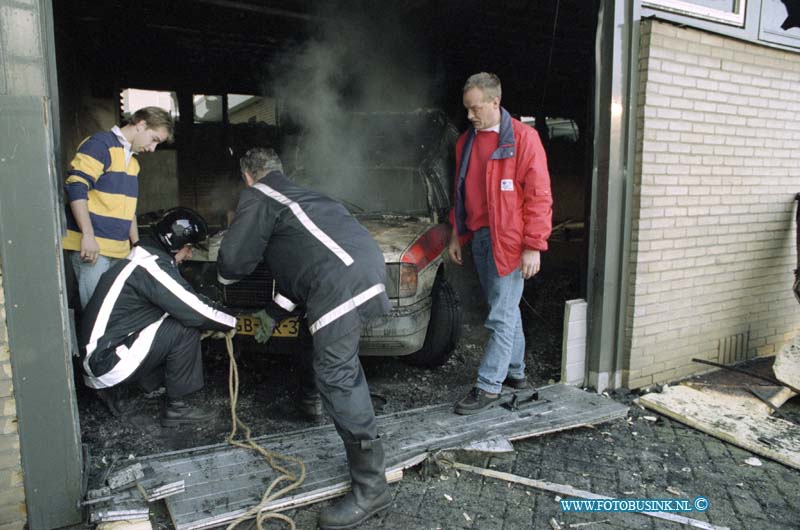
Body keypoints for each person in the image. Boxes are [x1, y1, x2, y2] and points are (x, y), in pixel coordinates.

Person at [217, 147, 391, 530]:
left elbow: (232, 263)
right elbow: (303, 267)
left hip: (338, 282)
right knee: (312, 341)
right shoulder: (306, 197)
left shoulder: (259, 194)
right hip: (363, 267)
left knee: (338, 375)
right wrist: (274, 312)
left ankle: (371, 487)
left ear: (248, 176)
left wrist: (225, 278)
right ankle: (311, 402)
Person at [448, 72, 553, 415]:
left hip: (510, 242)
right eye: (466, 109)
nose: (469, 115)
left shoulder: (524, 139)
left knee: (499, 314)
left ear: (495, 102)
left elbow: (539, 196)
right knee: (505, 308)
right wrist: (456, 234)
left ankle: (489, 385)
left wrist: (533, 245)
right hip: (479, 238)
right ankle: (516, 373)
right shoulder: (466, 143)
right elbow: (460, 194)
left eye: (475, 108)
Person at [79, 208, 237, 427]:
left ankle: (133, 389)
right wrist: (232, 321)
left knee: (174, 319)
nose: (190, 255)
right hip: (106, 362)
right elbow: (194, 310)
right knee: (185, 327)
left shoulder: (142, 257)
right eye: (189, 248)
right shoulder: (149, 265)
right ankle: (177, 409)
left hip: (102, 357)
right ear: (174, 243)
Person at [63, 106, 175, 308]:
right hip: (94, 250)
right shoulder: (99, 145)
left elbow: (128, 210)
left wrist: (136, 245)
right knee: (97, 314)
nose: (152, 148)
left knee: (113, 316)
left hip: (119, 251)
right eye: (154, 139)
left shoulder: (133, 163)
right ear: (141, 124)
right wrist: (87, 235)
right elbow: (76, 186)